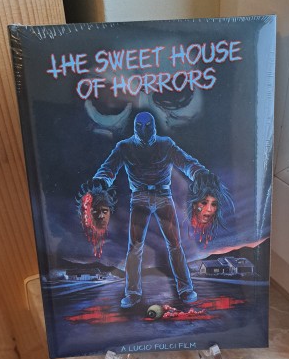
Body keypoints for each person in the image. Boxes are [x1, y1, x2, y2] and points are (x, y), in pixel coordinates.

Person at [80, 111, 223, 309]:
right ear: (135, 128)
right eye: (140, 127)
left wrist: (199, 173)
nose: (144, 131)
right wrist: (101, 180)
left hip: (163, 196)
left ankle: (185, 289)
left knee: (173, 244)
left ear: (153, 127)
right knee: (136, 247)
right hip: (140, 197)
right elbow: (109, 168)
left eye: (147, 127)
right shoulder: (125, 147)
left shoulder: (165, 144)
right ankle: (133, 293)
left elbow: (185, 162)